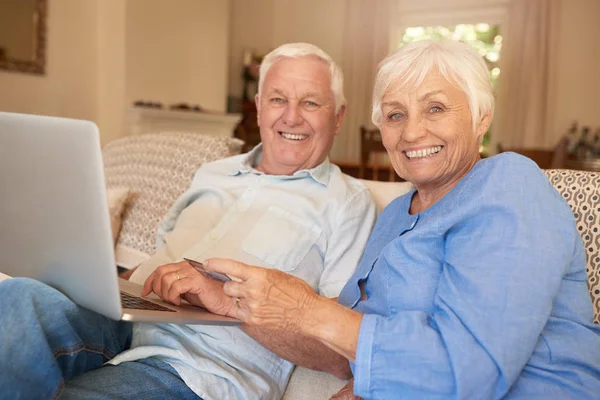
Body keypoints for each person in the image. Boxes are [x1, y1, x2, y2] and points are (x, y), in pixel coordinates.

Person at [184, 40, 600, 399]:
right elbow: (343, 349)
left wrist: (307, 308)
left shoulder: (509, 184)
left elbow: (470, 373)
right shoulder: (399, 213)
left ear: (481, 116)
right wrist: (230, 303)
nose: (412, 133)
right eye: (395, 114)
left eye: (435, 108)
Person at [0, 43, 377, 400]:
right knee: (17, 296)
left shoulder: (348, 202)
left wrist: (227, 299)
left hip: (196, 367)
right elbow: (159, 257)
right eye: (278, 99)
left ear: (339, 115)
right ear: (260, 107)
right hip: (118, 317)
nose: (291, 116)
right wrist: (86, 270)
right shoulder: (212, 172)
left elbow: (339, 354)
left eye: (310, 102)